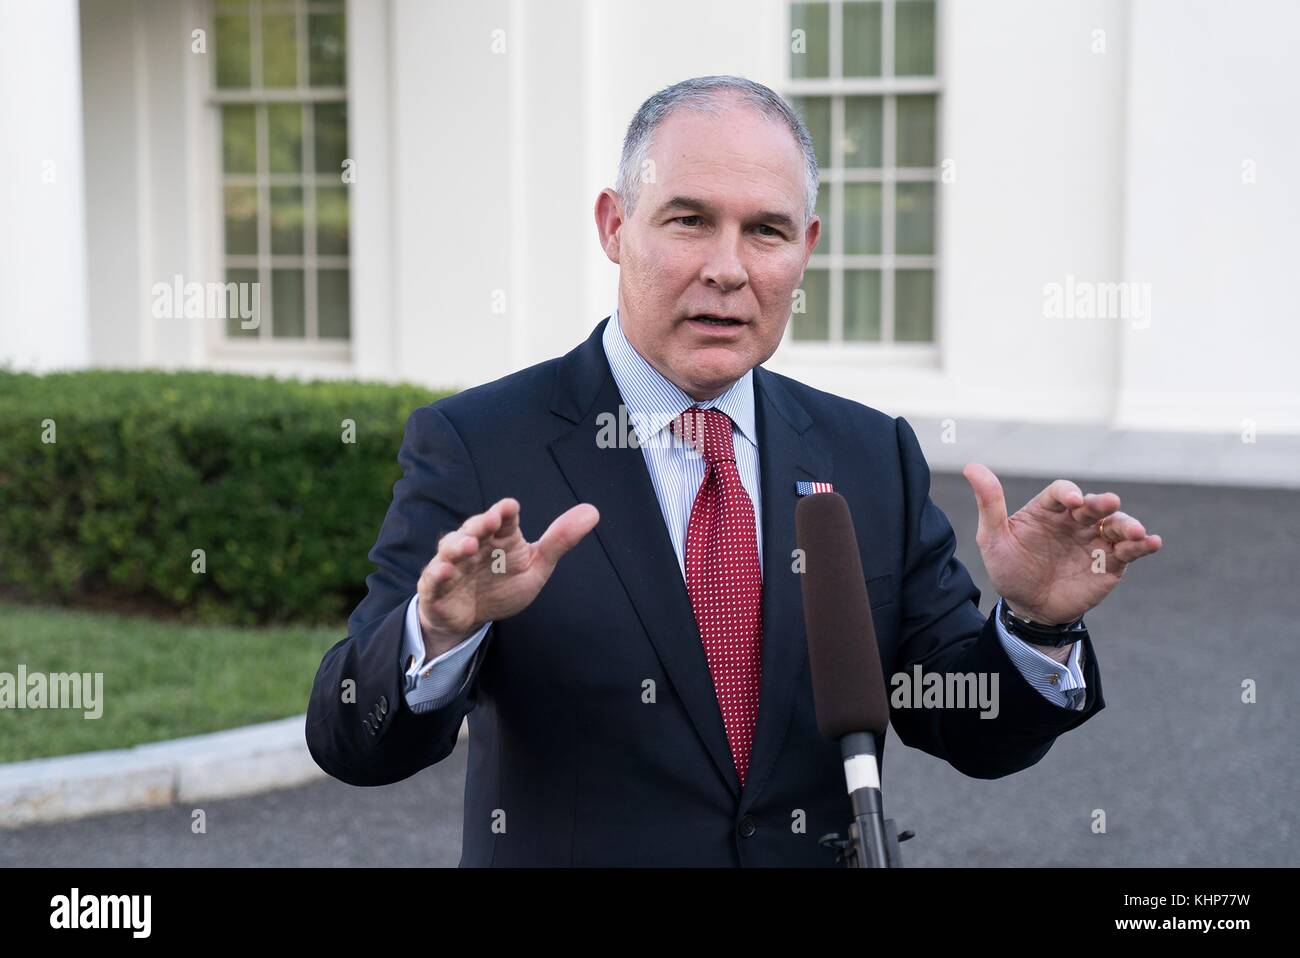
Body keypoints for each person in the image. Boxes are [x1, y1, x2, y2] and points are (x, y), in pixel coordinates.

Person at [305, 75, 1162, 867]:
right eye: (688, 220)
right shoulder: (482, 442)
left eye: (765, 230)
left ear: (806, 248)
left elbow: (965, 726)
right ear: (614, 226)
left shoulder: (868, 455)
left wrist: (1035, 626)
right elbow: (353, 743)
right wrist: (439, 636)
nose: (728, 267)